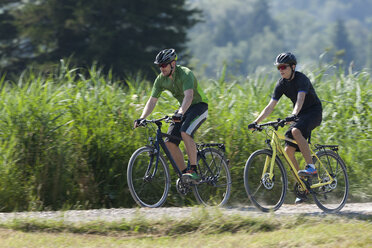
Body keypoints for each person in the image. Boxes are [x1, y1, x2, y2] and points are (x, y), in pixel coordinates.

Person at [248, 52, 322, 204]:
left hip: (313, 112)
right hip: (300, 116)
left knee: (295, 131)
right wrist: (256, 122)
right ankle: (303, 186)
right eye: (278, 68)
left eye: (284, 67)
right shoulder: (281, 84)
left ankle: (311, 167)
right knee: (288, 151)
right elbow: (270, 106)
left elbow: (300, 99)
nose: (281, 70)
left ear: (293, 67)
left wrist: (293, 114)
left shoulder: (302, 79)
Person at [134, 48, 208, 183]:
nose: (161, 69)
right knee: (169, 142)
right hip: (183, 109)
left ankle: (194, 171)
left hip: (199, 106)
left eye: (163, 65)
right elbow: (152, 101)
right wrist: (142, 117)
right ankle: (186, 175)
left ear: (173, 64)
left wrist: (180, 113)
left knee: (185, 132)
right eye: (159, 66)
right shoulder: (161, 79)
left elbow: (189, 96)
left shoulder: (185, 73)